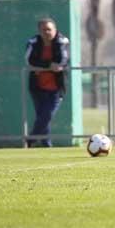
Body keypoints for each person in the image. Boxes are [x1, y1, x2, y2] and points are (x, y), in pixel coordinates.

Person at [25, 18, 70, 147]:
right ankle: (47, 144)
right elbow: (30, 61)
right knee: (42, 116)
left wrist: (42, 67)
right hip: (37, 86)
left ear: (55, 30)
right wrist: (49, 65)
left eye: (49, 29)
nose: (47, 32)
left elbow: (63, 61)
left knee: (47, 115)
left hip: (56, 87)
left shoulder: (63, 42)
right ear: (39, 31)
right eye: (43, 30)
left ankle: (31, 139)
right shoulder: (33, 42)